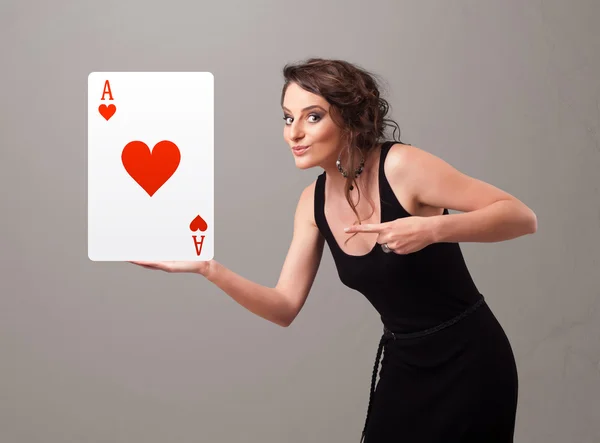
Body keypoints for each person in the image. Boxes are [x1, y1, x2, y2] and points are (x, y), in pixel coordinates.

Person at [131, 58, 537, 442]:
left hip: (471, 361)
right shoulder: (312, 203)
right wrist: (208, 268)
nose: (294, 133)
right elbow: (283, 306)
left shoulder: (403, 167)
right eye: (288, 118)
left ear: (350, 118)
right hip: (405, 363)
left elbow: (520, 216)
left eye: (313, 116)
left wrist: (433, 229)